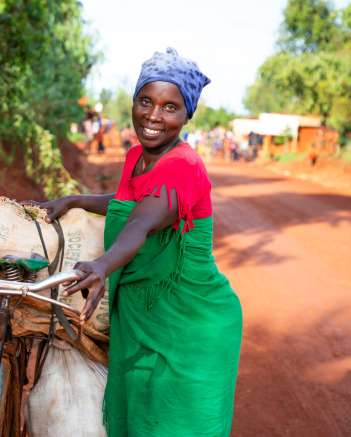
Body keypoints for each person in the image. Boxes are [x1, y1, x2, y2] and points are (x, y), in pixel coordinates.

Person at [37, 48, 242, 436]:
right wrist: (76, 199)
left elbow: (142, 223)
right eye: (145, 101)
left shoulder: (183, 167)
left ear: (186, 115)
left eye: (170, 107)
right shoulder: (138, 157)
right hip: (142, 317)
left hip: (189, 325)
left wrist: (101, 266)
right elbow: (128, 205)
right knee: (138, 420)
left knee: (173, 425)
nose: (153, 116)